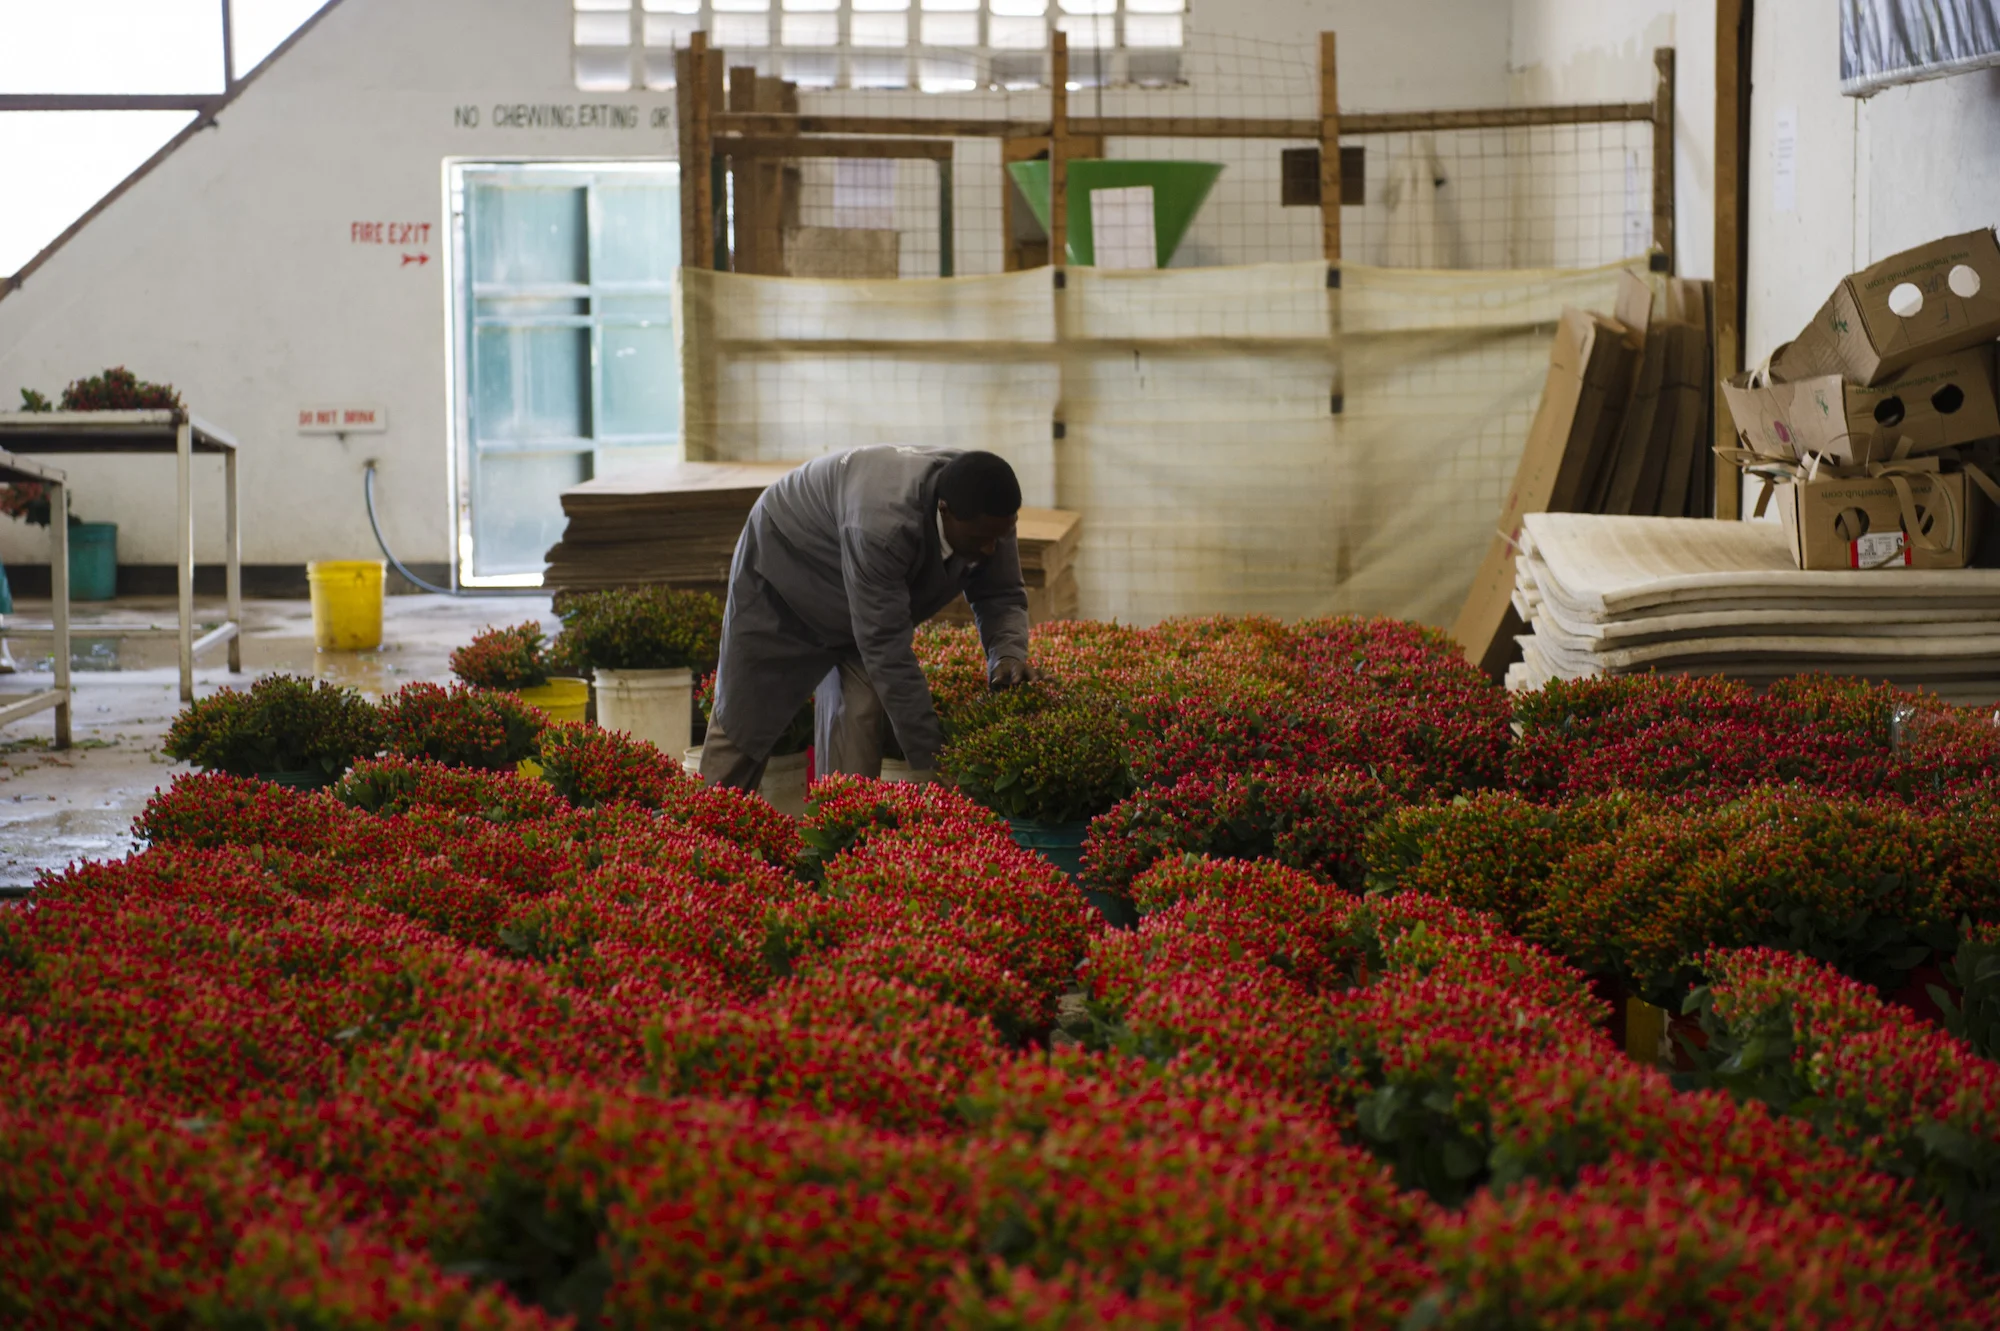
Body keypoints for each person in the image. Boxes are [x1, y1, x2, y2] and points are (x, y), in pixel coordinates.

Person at [699, 446, 1030, 790]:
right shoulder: (884, 525)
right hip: (784, 573)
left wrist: (1007, 654)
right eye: (982, 539)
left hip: (862, 597)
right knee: (742, 726)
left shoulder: (987, 510)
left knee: (860, 722)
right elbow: (886, 648)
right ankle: (698, 834)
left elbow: (1002, 594)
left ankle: (838, 835)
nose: (992, 549)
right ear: (944, 511)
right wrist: (939, 765)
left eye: (1000, 536)